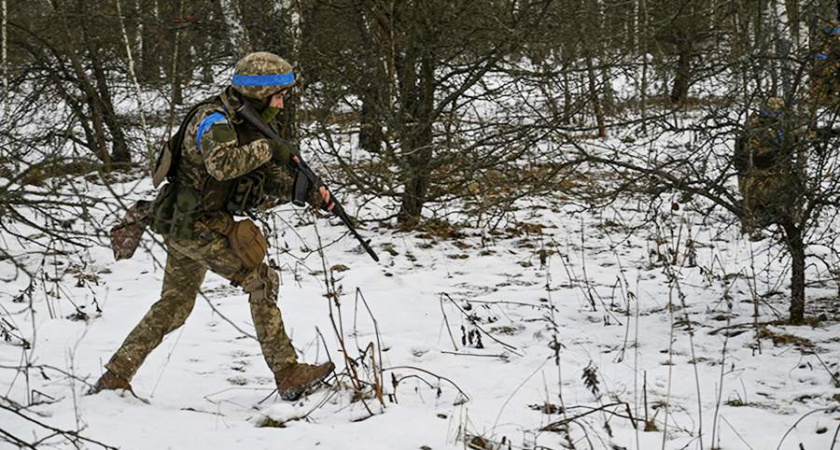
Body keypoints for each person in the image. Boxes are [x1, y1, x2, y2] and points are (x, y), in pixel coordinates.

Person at [93, 52, 335, 401]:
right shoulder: (214, 120)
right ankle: (288, 372)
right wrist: (270, 148)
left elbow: (264, 177)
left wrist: (309, 192)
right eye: (278, 94)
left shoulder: (245, 120)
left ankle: (115, 376)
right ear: (257, 94)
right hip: (195, 227)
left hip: (186, 225)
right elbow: (223, 165)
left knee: (174, 306)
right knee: (260, 281)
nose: (282, 102)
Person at [734, 97, 806, 234]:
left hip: (767, 175)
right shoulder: (755, 128)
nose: (780, 116)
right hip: (756, 177)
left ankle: (774, 212)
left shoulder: (777, 127)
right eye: (777, 112)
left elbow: (792, 137)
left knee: (794, 184)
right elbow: (759, 154)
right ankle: (761, 214)